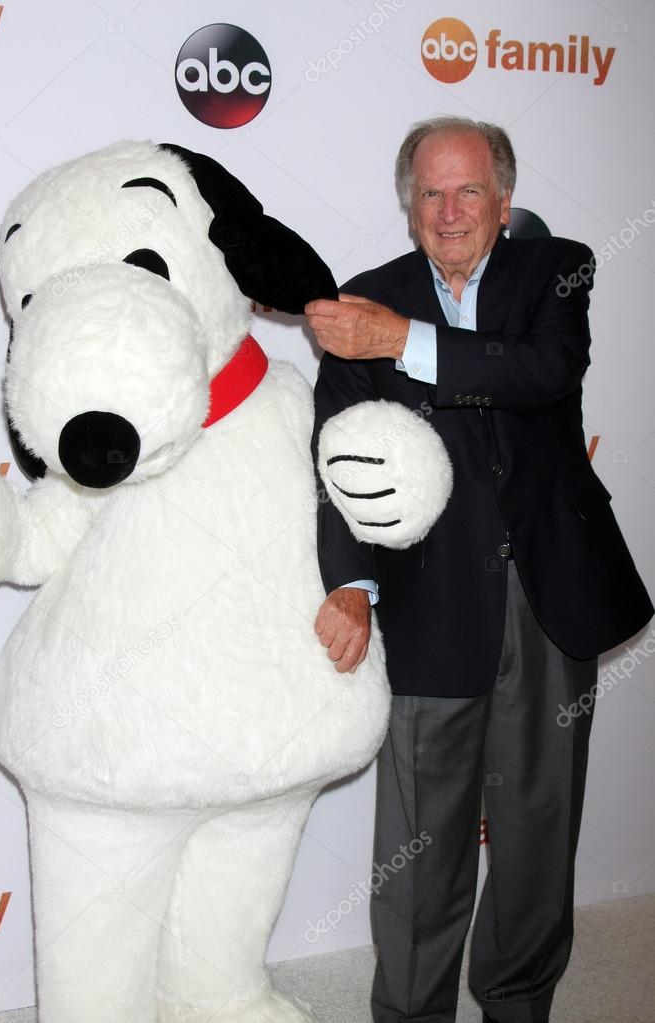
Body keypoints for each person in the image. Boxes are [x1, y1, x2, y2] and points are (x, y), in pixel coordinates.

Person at [306, 116, 653, 1023]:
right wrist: (350, 582)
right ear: (408, 203)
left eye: (468, 192)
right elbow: (337, 463)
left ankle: (517, 1002)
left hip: (548, 595)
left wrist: (401, 341)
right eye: (430, 192)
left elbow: (542, 371)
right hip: (426, 601)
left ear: (504, 202)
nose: (449, 210)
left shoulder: (559, 268)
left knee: (538, 834)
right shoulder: (361, 302)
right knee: (418, 850)